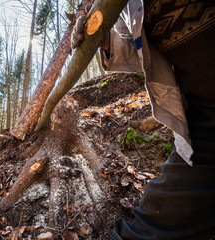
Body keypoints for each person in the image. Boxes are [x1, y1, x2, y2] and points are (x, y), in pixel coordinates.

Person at [74, 0, 215, 239]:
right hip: (207, 115)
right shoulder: (122, 7)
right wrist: (105, 41)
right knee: (145, 230)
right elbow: (142, 53)